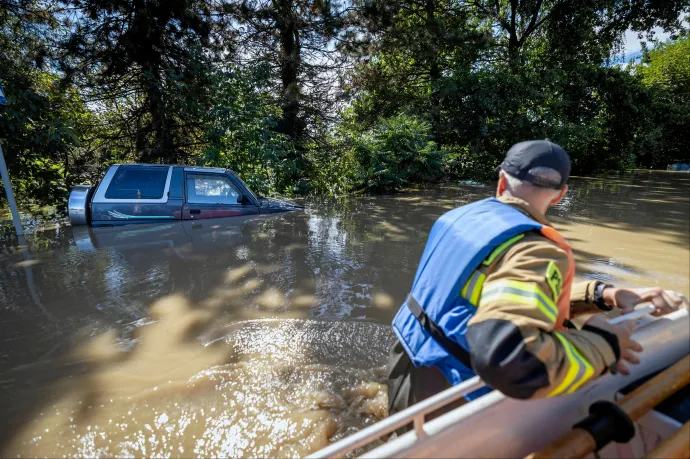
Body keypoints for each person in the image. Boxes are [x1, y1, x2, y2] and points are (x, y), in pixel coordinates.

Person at [387, 140, 688, 423]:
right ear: (560, 195)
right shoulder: (536, 249)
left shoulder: (457, 219)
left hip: (409, 362)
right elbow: (514, 361)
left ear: (502, 181)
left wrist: (602, 294)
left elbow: (478, 297)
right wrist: (606, 344)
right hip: (455, 393)